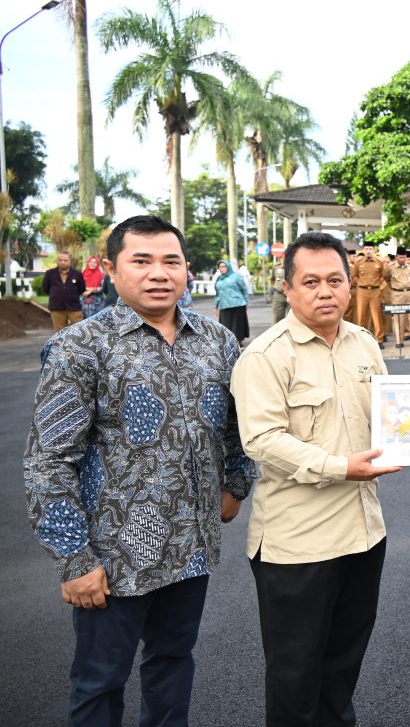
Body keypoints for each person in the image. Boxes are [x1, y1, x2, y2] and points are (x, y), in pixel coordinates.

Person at [23, 215, 256, 727]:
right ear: (110, 268)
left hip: (191, 548)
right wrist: (74, 558)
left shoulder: (216, 341)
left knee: (173, 664)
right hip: (111, 557)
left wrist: (235, 482)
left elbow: (239, 425)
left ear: (185, 268)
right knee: (99, 681)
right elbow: (49, 460)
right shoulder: (81, 346)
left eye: (170, 261)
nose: (158, 273)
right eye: (141, 261)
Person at [231, 231, 402, 727]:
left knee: (343, 663)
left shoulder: (364, 345)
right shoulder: (265, 356)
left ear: (350, 286)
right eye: (311, 281)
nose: (325, 291)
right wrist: (340, 467)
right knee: (294, 674)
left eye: (335, 280)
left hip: (364, 533)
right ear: (288, 288)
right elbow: (262, 441)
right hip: (298, 544)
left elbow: (395, 416)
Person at [385, 247, 410, 347]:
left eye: (404, 257)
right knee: (398, 317)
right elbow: (387, 279)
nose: (402, 259)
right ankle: (399, 341)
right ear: (396, 257)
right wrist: (393, 288)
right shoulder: (391, 267)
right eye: (400, 257)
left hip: (409, 292)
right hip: (397, 294)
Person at [43, 250, 86, 330]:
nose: (63, 262)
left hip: (74, 307)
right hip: (56, 307)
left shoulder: (77, 274)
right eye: (60, 260)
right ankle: (62, 343)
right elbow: (46, 288)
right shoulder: (50, 273)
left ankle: (75, 343)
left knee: (79, 330)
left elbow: (82, 289)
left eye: (65, 260)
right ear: (57, 261)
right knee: (60, 332)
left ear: (70, 261)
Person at [353, 245, 387, 342]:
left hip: (375, 291)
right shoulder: (358, 263)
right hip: (362, 291)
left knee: (377, 316)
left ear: (374, 250)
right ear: (363, 250)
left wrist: (377, 285)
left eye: (370, 249)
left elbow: (383, 276)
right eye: (366, 249)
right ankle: (361, 339)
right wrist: (359, 283)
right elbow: (355, 276)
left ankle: (379, 339)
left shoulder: (379, 263)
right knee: (361, 315)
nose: (368, 251)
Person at [213, 260, 250, 346]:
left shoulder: (236, 277)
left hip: (237, 304)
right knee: (225, 325)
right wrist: (216, 306)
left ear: (228, 267)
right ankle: (228, 342)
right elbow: (218, 294)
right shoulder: (219, 279)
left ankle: (238, 341)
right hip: (224, 305)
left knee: (237, 325)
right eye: (220, 267)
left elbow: (244, 289)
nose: (222, 269)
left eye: (224, 266)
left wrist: (246, 302)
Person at [271, 258, 290, 323]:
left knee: (294, 320)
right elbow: (272, 279)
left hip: (292, 295)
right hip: (279, 295)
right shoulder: (277, 267)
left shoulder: (296, 266)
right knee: (277, 319)